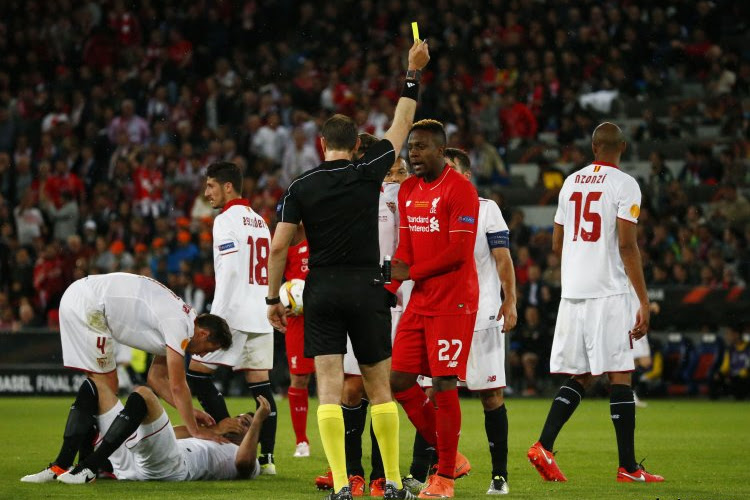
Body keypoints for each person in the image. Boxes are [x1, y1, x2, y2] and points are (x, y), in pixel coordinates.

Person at [267, 40, 430, 500]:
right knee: (380, 389)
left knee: (330, 389)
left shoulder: (301, 185)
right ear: (358, 144)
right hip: (366, 288)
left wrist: (271, 299)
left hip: (321, 290)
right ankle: (394, 482)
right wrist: (411, 72)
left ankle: (342, 483)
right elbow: (402, 124)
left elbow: (279, 247)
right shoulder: (369, 170)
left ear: (323, 145)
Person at [526, 122, 664, 483]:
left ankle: (543, 445)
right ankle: (629, 468)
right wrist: (643, 300)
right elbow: (626, 244)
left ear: (592, 147)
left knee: (583, 375)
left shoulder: (570, 182)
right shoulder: (625, 184)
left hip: (573, 292)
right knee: (621, 372)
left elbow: (556, 245)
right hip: (608, 290)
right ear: (623, 146)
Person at [41, 272, 232, 482]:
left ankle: (78, 465)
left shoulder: (181, 318)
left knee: (100, 386)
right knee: (105, 387)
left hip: (84, 297)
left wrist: (190, 411)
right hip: (89, 303)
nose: (202, 355)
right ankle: (91, 466)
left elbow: (157, 378)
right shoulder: (180, 325)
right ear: (204, 334)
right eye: (209, 349)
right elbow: (178, 385)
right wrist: (195, 431)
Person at [388, 119, 479, 498]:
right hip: (420, 300)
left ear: (442, 151)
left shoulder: (461, 191)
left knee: (443, 384)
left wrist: (412, 273)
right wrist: (391, 284)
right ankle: (451, 455)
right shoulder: (407, 190)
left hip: (453, 301)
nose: (413, 154)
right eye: (411, 147)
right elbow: (405, 248)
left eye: (422, 147)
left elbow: (459, 253)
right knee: (399, 381)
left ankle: (444, 479)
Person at [187, 161, 279, 474]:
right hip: (261, 314)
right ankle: (267, 460)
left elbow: (230, 272)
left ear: (228, 187)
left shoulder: (225, 220)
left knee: (197, 375)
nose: (206, 192)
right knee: (261, 388)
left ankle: (227, 434)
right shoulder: (260, 221)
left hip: (234, 315)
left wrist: (216, 317)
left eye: (211, 186)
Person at [22, 378, 268, 483]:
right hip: (142, 457)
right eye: (240, 418)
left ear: (252, 438)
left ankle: (89, 466)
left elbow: (245, 464)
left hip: (172, 467)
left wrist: (257, 421)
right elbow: (170, 433)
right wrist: (214, 428)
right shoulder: (213, 437)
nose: (240, 421)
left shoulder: (244, 458)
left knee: (144, 393)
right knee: (96, 386)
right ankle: (62, 466)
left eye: (246, 423)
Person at [445, 147, 517, 495]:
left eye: (450, 169)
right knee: (436, 394)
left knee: (490, 395)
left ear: (467, 175)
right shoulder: (432, 209)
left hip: (482, 315)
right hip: (442, 316)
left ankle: (499, 476)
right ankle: (437, 470)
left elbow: (503, 259)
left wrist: (511, 300)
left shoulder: (487, 210)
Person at [283, 223, 315, 458]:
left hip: (328, 315)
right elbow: (275, 280)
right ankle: (301, 440)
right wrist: (279, 301)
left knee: (333, 378)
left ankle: (336, 435)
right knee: (299, 378)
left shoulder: (325, 233)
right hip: (298, 320)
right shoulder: (287, 242)